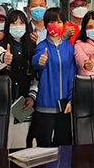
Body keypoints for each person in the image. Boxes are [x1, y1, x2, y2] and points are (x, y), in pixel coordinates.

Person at [0, 10, 38, 149]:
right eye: (14, 23)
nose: (18, 26)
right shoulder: (0, 44)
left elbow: (35, 76)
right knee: (1, 144)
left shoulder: (31, 47)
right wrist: (3, 58)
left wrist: (32, 96)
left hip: (23, 103)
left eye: (21, 23)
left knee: (21, 145)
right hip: (3, 103)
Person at [32, 8, 76, 147]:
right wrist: (40, 61)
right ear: (46, 25)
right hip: (45, 106)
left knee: (64, 146)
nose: (55, 25)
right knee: (43, 148)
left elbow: (72, 75)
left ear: (64, 24)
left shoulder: (69, 47)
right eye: (52, 22)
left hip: (65, 107)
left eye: (59, 22)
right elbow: (36, 61)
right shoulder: (42, 46)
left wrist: (71, 99)